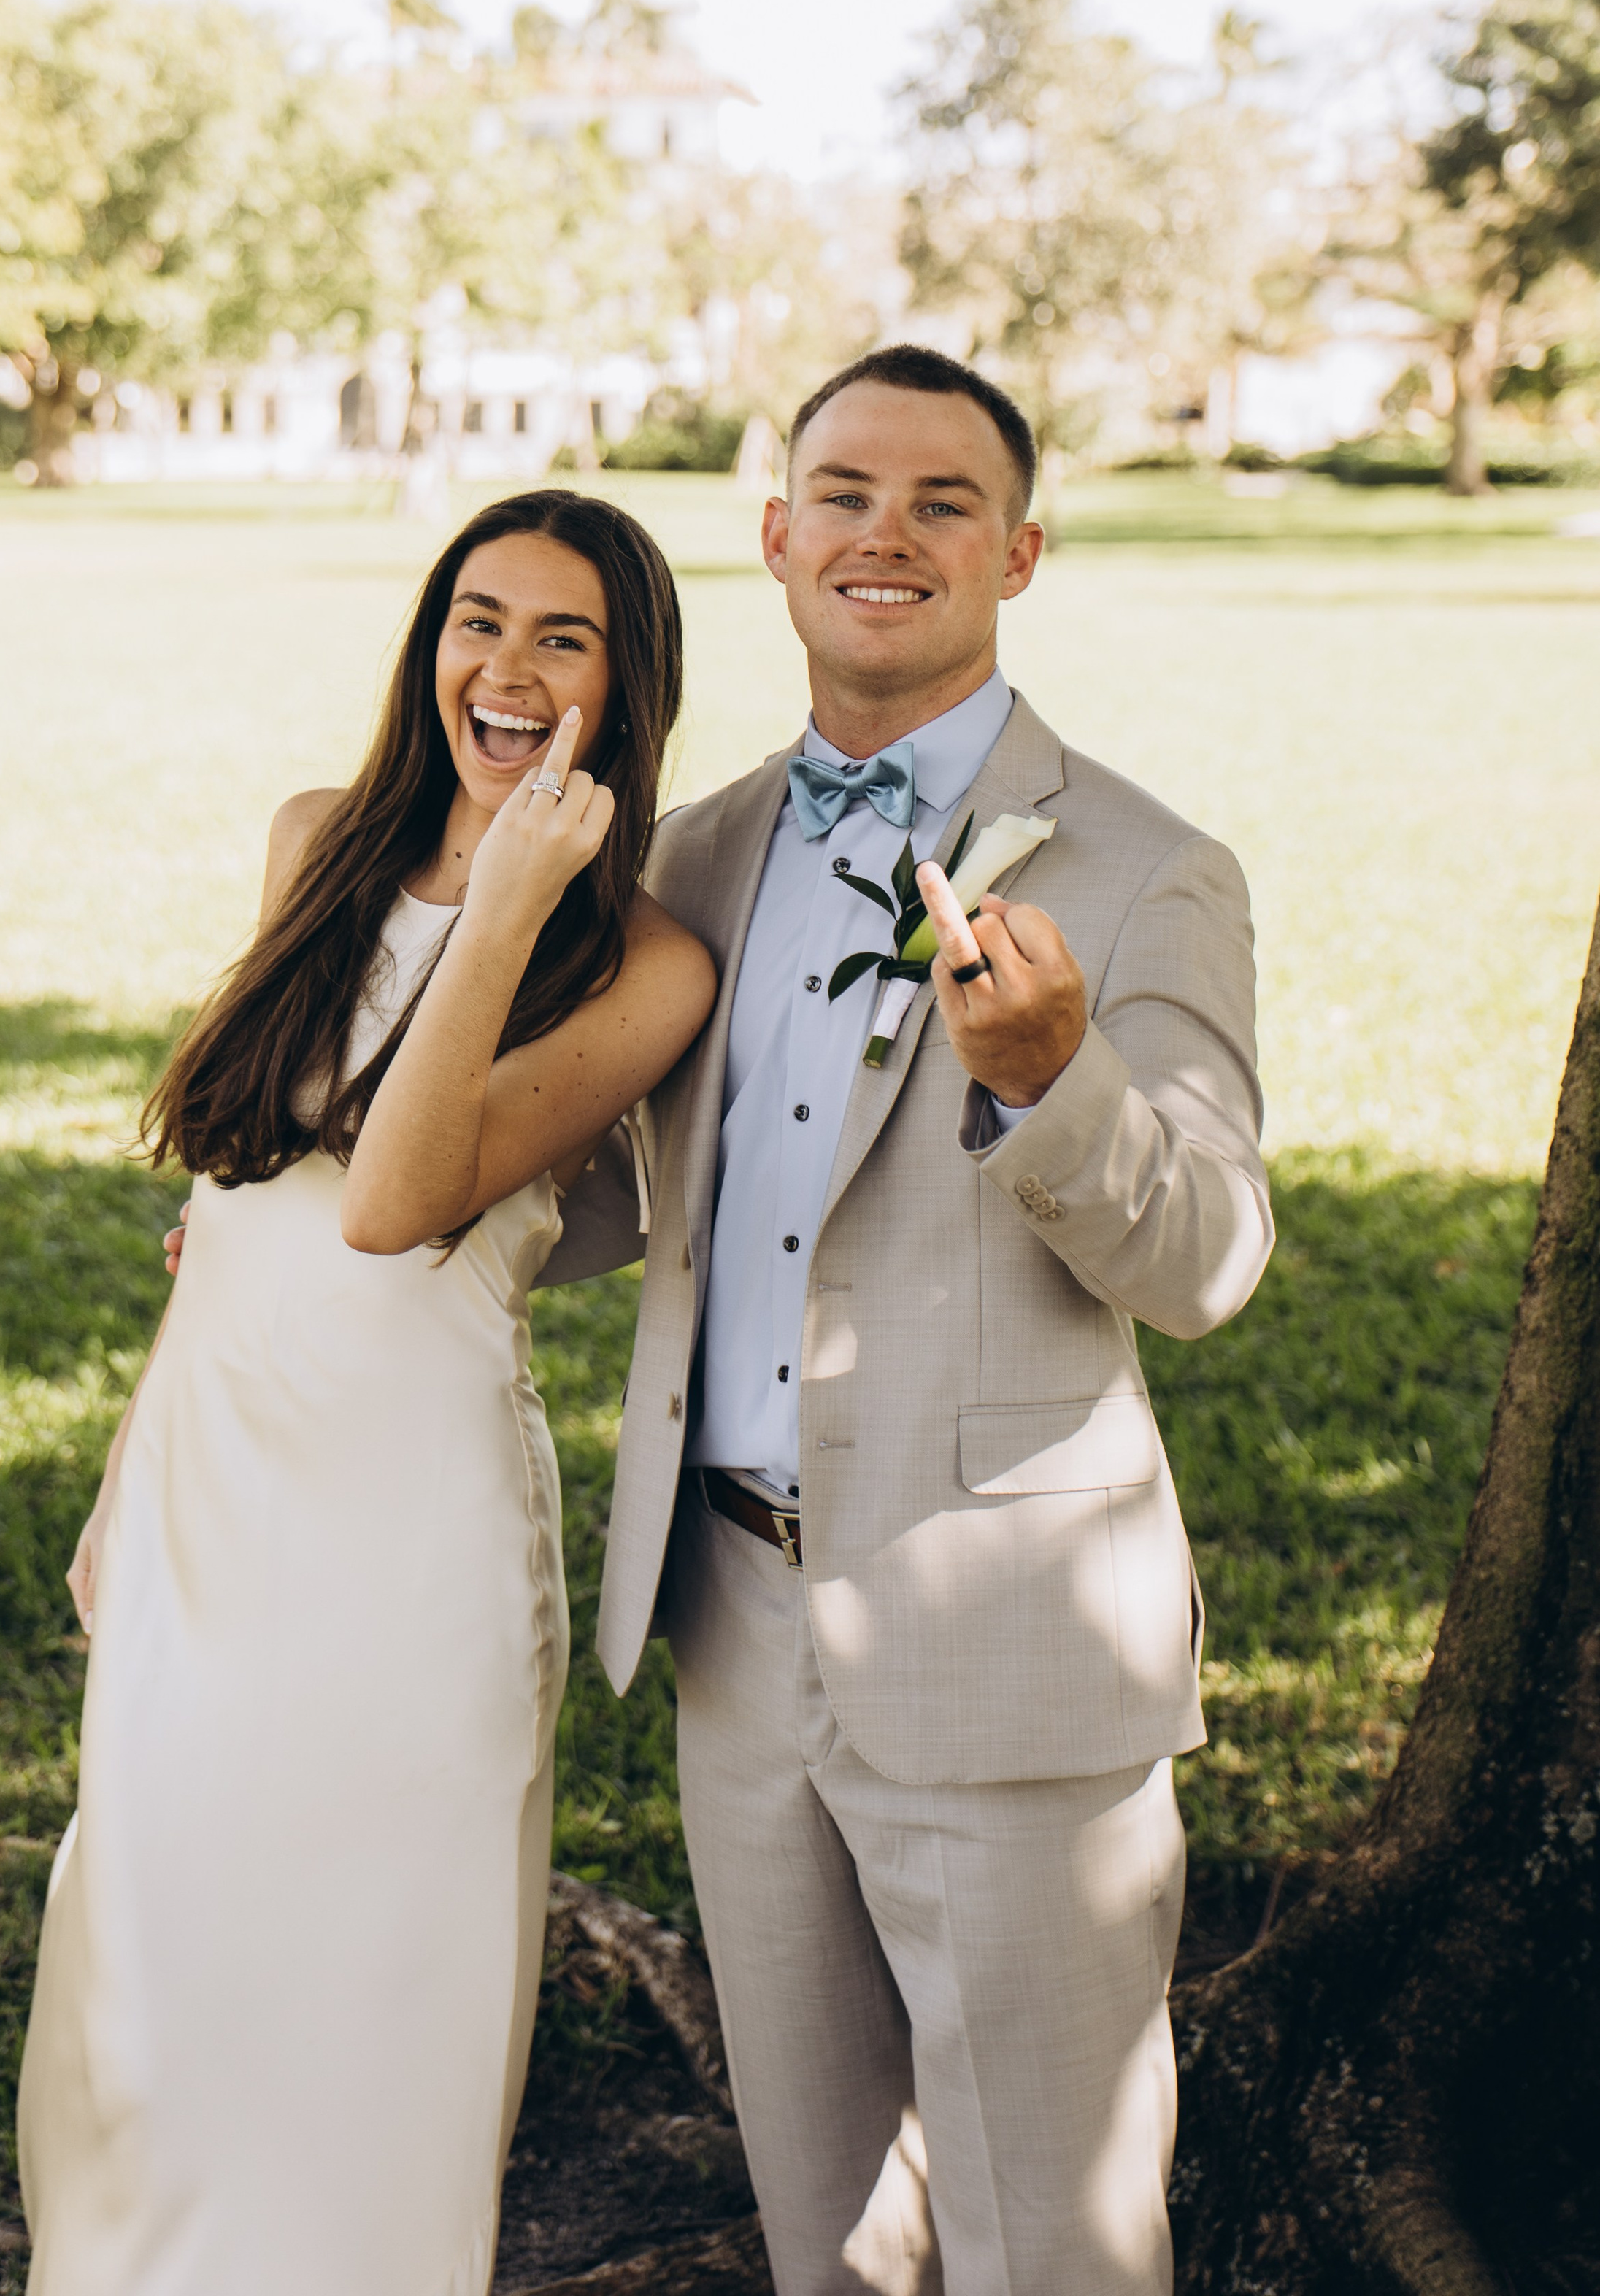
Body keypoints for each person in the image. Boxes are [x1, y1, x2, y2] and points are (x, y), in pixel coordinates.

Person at [553, 344, 1274, 2296]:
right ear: (777, 540)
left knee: (1058, 2234)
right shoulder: (690, 854)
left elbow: (1208, 1255)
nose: (888, 534)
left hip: (1009, 1640)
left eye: (944, 502)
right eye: (845, 495)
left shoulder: (1145, 872)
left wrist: (1057, 1084)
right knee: (831, 2224)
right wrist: (299, 1212)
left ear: (1019, 554)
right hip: (733, 1620)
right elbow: (595, 1195)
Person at [17, 490, 716, 2296]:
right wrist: (125, 1473)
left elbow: (397, 1205)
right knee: (159, 1950)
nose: (506, 667)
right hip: (209, 1480)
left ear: (625, 690)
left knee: (367, 1985)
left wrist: (501, 905)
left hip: (410, 1530)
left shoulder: (639, 964)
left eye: (564, 638)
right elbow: (236, 1195)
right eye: (475, 619)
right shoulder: (313, 841)